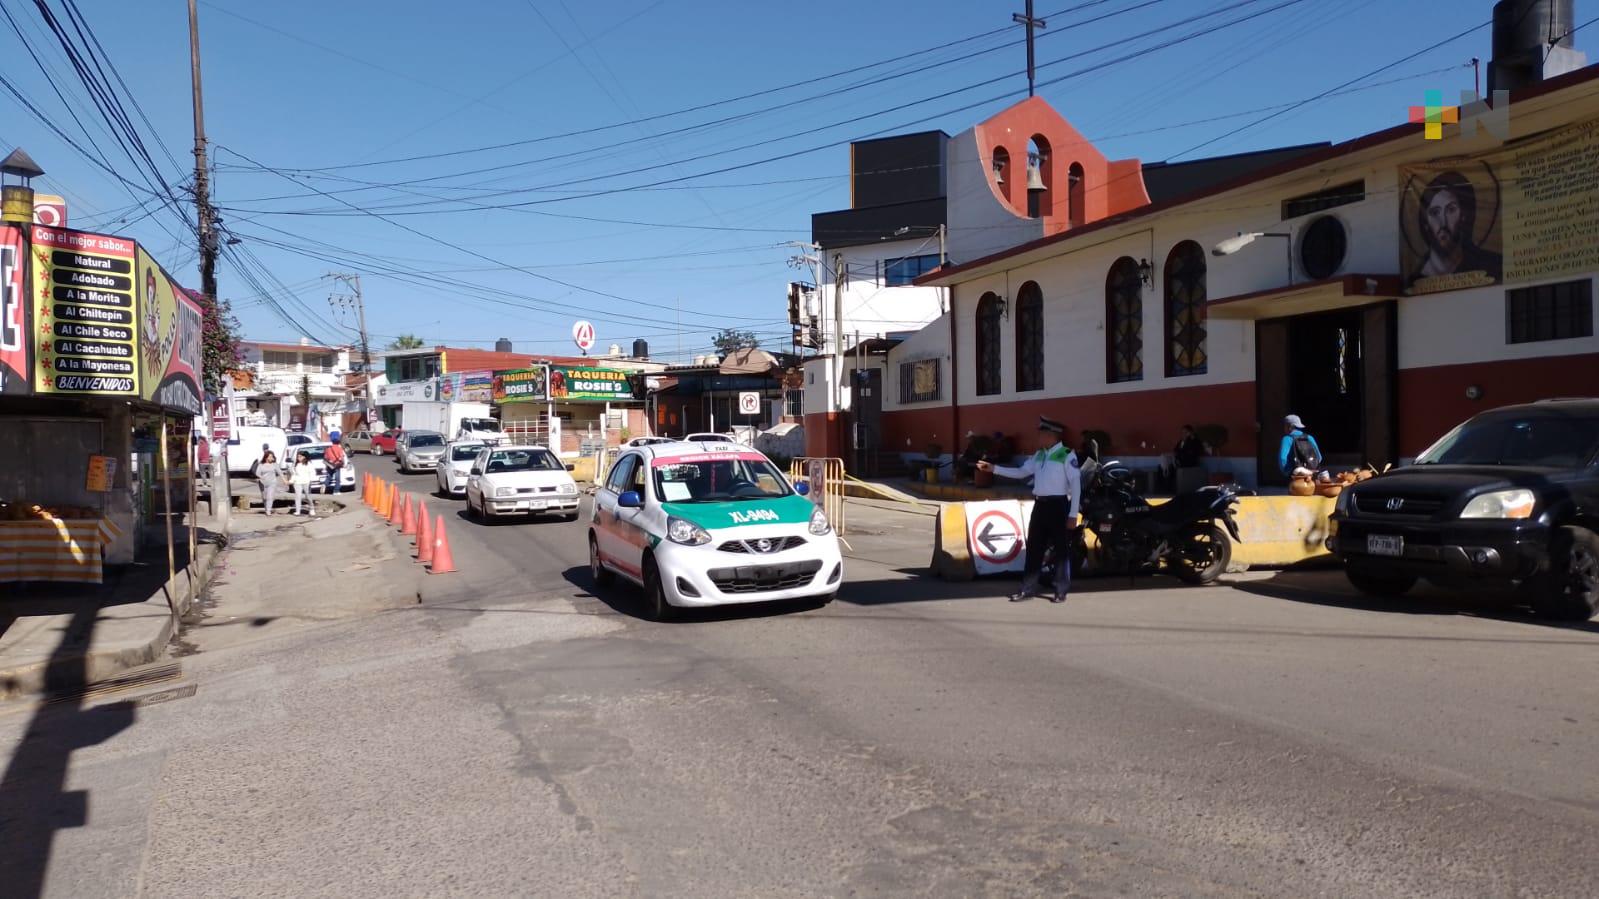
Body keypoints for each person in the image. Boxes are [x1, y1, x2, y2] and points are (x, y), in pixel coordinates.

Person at [977, 416, 1082, 604]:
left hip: (1059, 505)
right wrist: (994, 469)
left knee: (1061, 549)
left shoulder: (1067, 455)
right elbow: (1021, 472)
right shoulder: (1039, 454)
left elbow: (1076, 485)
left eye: (1042, 434)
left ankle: (1061, 590)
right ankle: (1027, 589)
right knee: (1034, 548)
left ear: (1052, 436)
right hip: (1040, 505)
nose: (1039, 438)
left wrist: (1073, 514)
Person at [1407, 170, 1502, 287]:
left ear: (1463, 216)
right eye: (1435, 212)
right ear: (1425, 223)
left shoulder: (1492, 266)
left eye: (1451, 210)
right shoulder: (1414, 281)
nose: (1443, 223)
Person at [1174, 424, 1209, 494]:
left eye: (1185, 432)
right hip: (1181, 462)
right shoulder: (1182, 441)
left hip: (1190, 462)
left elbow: (1194, 451)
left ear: (1190, 432)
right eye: (1182, 432)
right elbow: (1176, 450)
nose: (1183, 434)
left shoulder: (1194, 441)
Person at [254, 445, 280, 514]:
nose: (272, 458)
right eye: (270, 456)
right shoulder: (261, 462)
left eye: (272, 456)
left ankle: (268, 510)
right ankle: (266, 508)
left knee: (270, 496)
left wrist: (285, 480)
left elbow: (280, 473)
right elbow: (257, 473)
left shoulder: (274, 463)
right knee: (264, 497)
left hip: (272, 482)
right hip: (263, 482)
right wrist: (261, 477)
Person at [290, 451, 316, 516]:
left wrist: (311, 481)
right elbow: (294, 474)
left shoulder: (309, 464)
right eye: (298, 457)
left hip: (306, 482)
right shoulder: (297, 464)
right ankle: (298, 511)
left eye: (300, 456)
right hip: (297, 482)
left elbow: (312, 473)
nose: (298, 458)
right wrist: (291, 481)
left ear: (304, 457)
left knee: (308, 496)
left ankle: (312, 509)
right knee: (298, 496)